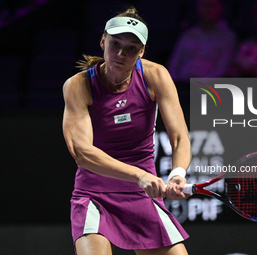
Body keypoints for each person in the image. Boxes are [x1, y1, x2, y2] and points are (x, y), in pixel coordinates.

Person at [62, 7, 191, 255]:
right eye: (114, 44)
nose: (120, 53)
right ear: (103, 41)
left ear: (141, 51)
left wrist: (177, 173)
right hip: (95, 194)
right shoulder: (78, 86)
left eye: (131, 48)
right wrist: (139, 176)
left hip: (141, 195)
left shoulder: (155, 75)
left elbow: (178, 137)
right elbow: (83, 153)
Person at [167, 0, 237, 82]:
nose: (207, 9)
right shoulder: (188, 35)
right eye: (203, 5)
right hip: (181, 85)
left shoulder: (227, 37)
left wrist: (199, 86)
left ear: (220, 8)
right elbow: (174, 64)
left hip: (209, 88)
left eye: (211, 5)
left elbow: (222, 69)